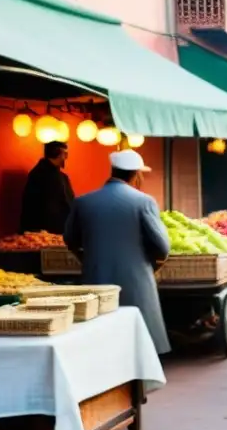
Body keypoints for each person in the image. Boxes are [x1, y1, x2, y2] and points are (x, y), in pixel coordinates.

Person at [63, 150, 171, 355]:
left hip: (95, 279)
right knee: (138, 341)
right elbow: (162, 246)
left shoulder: (83, 202)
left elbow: (70, 240)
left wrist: (87, 259)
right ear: (136, 174)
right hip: (136, 281)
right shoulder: (144, 201)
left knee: (100, 341)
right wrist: (154, 265)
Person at [20, 141, 74, 234]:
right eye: (65, 154)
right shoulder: (41, 175)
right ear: (58, 154)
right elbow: (37, 206)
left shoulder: (57, 176)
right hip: (45, 230)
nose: (66, 157)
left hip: (55, 229)